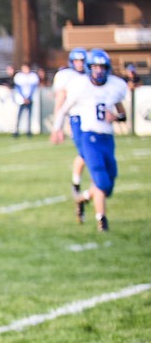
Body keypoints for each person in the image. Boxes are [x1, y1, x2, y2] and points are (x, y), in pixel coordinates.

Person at [51, 48, 128, 232]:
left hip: (107, 138)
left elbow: (122, 114)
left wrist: (116, 117)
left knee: (108, 185)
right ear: (89, 68)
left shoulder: (115, 87)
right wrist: (57, 129)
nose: (98, 71)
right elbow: (63, 108)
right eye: (94, 67)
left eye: (102, 67)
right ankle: (102, 221)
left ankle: (83, 197)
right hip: (89, 136)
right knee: (100, 180)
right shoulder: (80, 85)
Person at [51, 48, 91, 221]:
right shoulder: (66, 76)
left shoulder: (92, 75)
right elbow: (60, 100)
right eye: (77, 61)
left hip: (92, 119)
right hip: (77, 119)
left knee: (86, 155)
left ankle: (77, 185)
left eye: (82, 61)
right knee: (85, 154)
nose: (80, 64)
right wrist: (57, 127)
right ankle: (79, 188)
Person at [12, 63, 40, 137]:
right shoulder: (19, 76)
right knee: (18, 115)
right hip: (21, 99)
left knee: (29, 115)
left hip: (30, 98)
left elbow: (33, 88)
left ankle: (29, 130)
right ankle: (16, 130)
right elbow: (18, 88)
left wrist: (28, 97)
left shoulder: (33, 76)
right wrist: (23, 97)